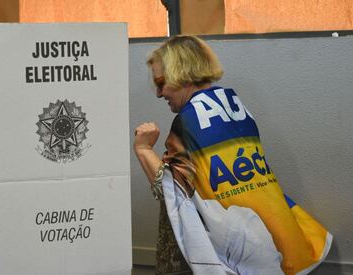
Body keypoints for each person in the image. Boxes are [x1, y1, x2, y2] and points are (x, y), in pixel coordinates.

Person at [134, 35, 332, 275]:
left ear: (181, 71)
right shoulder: (234, 104)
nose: (158, 92)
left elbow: (172, 193)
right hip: (278, 237)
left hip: (241, 253)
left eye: (161, 81)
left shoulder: (188, 121)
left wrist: (143, 149)